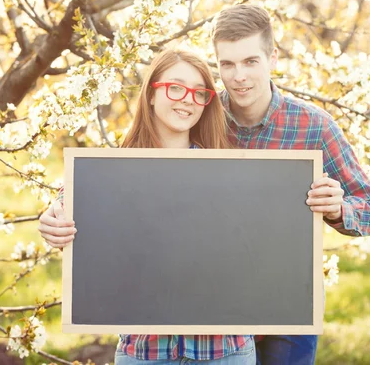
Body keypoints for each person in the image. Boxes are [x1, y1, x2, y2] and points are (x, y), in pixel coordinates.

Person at [38, 48, 256, 364]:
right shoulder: (109, 168)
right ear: (152, 94)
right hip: (146, 352)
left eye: (199, 93)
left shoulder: (229, 170)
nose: (187, 100)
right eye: (176, 87)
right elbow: (61, 207)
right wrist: (51, 222)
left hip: (226, 352)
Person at [210, 5, 370, 364]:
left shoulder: (313, 125)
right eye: (226, 64)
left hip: (290, 305)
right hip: (217, 302)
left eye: (250, 61)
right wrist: (62, 203)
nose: (238, 76)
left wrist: (338, 209)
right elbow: (136, 169)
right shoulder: (202, 117)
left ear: (272, 57)